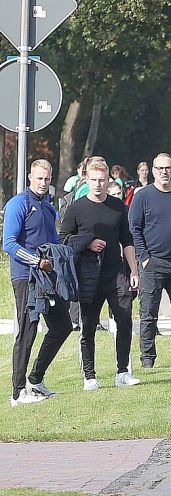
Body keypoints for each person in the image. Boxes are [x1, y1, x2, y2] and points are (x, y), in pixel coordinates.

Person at [60, 158, 140, 390]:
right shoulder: (76, 207)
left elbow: (127, 240)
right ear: (86, 179)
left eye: (102, 180)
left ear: (108, 181)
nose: (98, 184)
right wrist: (88, 243)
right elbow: (63, 239)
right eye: (94, 180)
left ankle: (123, 371)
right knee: (88, 325)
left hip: (116, 273)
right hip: (88, 274)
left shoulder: (118, 206)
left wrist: (134, 270)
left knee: (124, 319)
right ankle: (89, 375)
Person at [3, 159, 73, 406]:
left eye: (47, 178)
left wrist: (60, 259)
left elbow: (54, 242)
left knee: (63, 325)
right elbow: (9, 243)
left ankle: (36, 380)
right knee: (28, 329)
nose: (43, 183)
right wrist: (35, 261)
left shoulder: (49, 208)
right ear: (30, 177)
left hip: (48, 277)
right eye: (39, 178)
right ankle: (17, 392)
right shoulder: (18, 204)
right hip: (25, 275)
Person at [129, 153, 171, 369]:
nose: (164, 172)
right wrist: (145, 258)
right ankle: (147, 358)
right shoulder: (143, 196)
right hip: (153, 263)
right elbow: (134, 228)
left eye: (168, 168)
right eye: (159, 168)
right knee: (148, 312)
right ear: (152, 171)